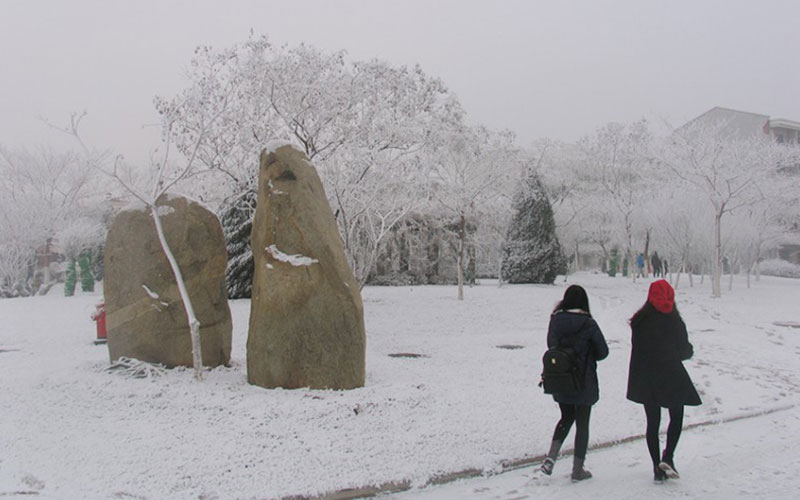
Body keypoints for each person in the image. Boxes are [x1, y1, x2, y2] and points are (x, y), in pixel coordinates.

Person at [626, 280, 701, 483]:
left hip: (647, 377)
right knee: (676, 416)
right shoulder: (675, 321)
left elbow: (639, 350)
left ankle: (656, 468)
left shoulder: (639, 321)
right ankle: (668, 457)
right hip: (671, 376)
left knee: (653, 422)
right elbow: (684, 351)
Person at [540, 285, 609, 481]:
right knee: (583, 423)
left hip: (561, 379)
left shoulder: (555, 321)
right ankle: (578, 470)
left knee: (565, 417)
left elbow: (551, 345)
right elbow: (603, 352)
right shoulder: (588, 323)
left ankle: (551, 458)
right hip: (583, 381)